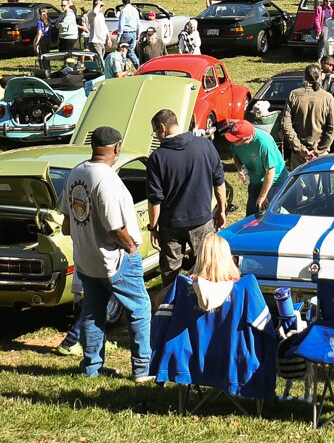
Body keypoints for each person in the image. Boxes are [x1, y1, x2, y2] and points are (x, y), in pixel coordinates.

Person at [59, 125, 152, 381]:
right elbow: (115, 227)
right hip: (114, 259)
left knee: (92, 311)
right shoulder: (107, 180)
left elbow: (67, 225)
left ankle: (91, 367)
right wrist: (131, 247)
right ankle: (143, 369)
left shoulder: (76, 172)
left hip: (86, 259)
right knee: (140, 308)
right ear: (117, 147)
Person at [144, 107, 225, 274]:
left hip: (171, 225)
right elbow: (219, 183)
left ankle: (171, 300)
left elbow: (154, 200)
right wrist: (222, 210)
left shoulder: (157, 158)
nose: (157, 136)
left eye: (155, 132)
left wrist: (153, 228)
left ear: (162, 128)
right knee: (207, 268)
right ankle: (203, 299)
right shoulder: (206, 145)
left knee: (170, 273)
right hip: (202, 220)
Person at [219, 118, 282, 217]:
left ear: (247, 138)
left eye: (236, 139)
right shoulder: (237, 142)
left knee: (268, 216)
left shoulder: (264, 143)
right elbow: (235, 156)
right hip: (255, 180)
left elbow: (270, 172)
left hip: (274, 182)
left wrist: (262, 196)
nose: (233, 141)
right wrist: (240, 169)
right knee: (251, 215)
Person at [281, 64, 334, 165]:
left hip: (299, 154)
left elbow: (286, 125)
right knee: (320, 181)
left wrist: (299, 147)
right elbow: (332, 128)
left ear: (304, 77)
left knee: (298, 180)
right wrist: (319, 150)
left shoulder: (294, 95)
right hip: (320, 154)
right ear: (320, 76)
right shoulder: (327, 97)